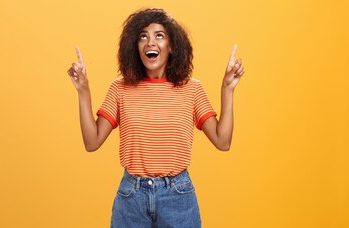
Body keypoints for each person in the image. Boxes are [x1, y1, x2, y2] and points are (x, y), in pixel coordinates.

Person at [66, 8, 245, 228]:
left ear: (171, 47)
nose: (150, 42)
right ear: (136, 46)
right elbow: (92, 142)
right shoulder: (120, 89)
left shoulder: (191, 90)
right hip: (131, 197)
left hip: (177, 196)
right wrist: (83, 90)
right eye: (143, 36)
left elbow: (223, 141)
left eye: (159, 35)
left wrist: (227, 89)